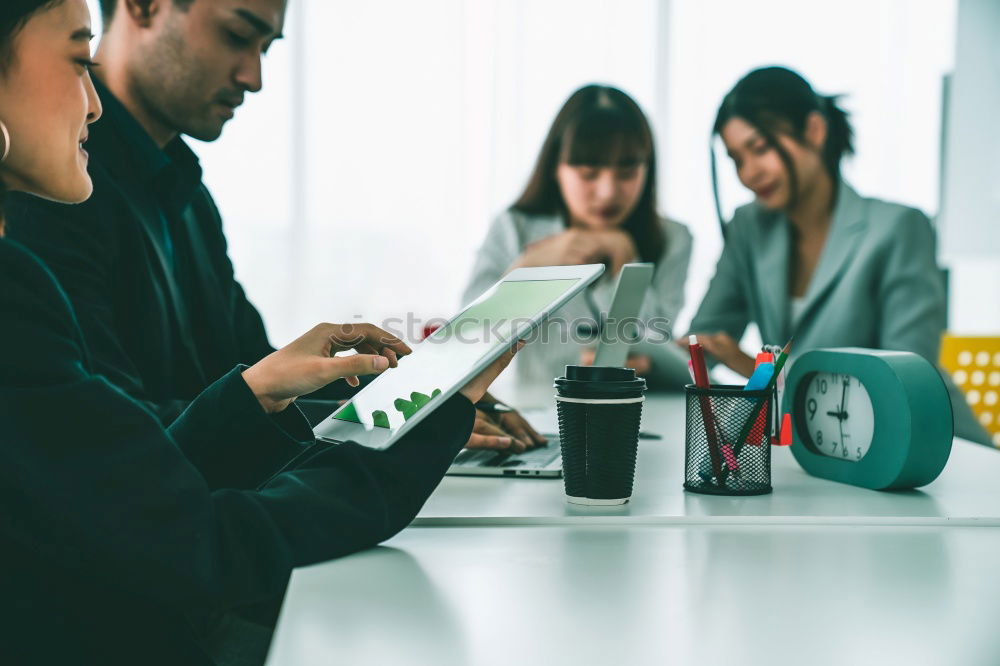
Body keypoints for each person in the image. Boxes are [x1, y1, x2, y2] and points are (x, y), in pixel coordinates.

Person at [0, 1, 520, 662]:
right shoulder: (31, 254)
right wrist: (413, 434)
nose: (254, 76)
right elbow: (182, 532)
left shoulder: (184, 194)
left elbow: (116, 474)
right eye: (79, 60)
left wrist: (271, 392)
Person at [5, 0, 518, 451]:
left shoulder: (188, 195)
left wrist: (400, 398)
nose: (254, 76)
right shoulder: (47, 190)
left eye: (265, 49)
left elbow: (251, 377)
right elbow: (114, 441)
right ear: (142, 6)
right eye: (236, 35)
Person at [686, 65, 989, 446]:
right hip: (825, 446)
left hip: (932, 451)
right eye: (735, 159)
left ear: (814, 130)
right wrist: (647, 360)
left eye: (760, 149)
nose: (748, 174)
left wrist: (761, 372)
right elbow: (707, 340)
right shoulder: (749, 227)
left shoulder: (899, 228)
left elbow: (905, 380)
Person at [462, 84, 693, 413]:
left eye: (627, 173)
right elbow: (465, 340)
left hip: (634, 413)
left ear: (647, 170)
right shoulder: (513, 227)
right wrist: (529, 266)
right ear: (557, 168)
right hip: (532, 412)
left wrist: (625, 264)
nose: (607, 192)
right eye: (588, 173)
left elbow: (658, 339)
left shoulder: (673, 238)